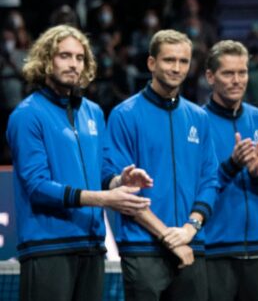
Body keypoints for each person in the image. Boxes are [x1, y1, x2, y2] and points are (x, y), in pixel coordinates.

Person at [8, 25, 153, 301]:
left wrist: (120, 181)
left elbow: (104, 173)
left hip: (92, 247)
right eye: (64, 55)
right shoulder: (26, 115)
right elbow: (37, 186)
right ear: (46, 60)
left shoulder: (94, 112)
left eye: (79, 57)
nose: (73, 64)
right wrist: (104, 198)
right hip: (47, 248)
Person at [103, 30, 219, 301]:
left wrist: (190, 228)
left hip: (191, 244)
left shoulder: (199, 118)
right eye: (169, 60)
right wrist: (169, 236)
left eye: (183, 61)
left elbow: (209, 180)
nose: (176, 68)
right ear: (151, 63)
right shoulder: (124, 115)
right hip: (143, 249)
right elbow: (119, 188)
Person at [203, 40, 258, 301]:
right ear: (210, 76)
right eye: (228, 73)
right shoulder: (196, 121)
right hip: (213, 254)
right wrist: (231, 166)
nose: (237, 80)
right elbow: (195, 187)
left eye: (242, 72)